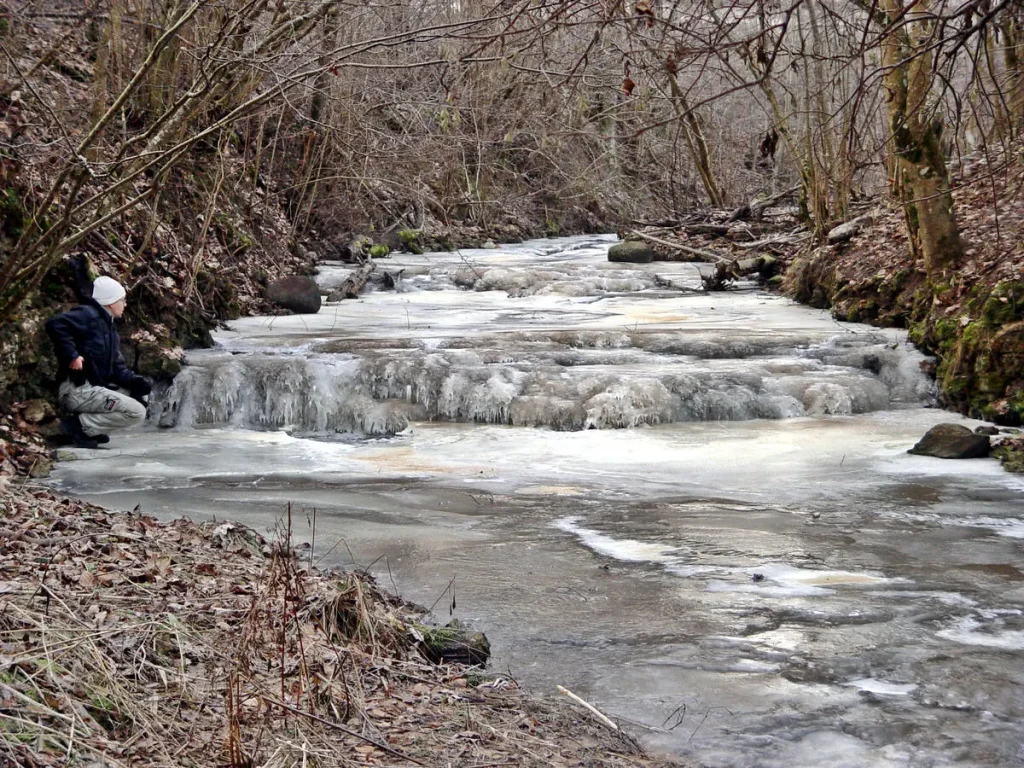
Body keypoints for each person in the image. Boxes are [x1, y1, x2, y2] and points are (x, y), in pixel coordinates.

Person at [45, 275, 152, 448]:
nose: (125, 305)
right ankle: (78, 427)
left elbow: (118, 369)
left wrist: (135, 382)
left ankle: (89, 428)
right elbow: (55, 324)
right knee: (137, 412)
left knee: (140, 396)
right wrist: (72, 355)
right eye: (122, 300)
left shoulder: (110, 331)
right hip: (77, 390)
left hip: (93, 388)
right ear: (110, 302)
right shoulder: (88, 315)